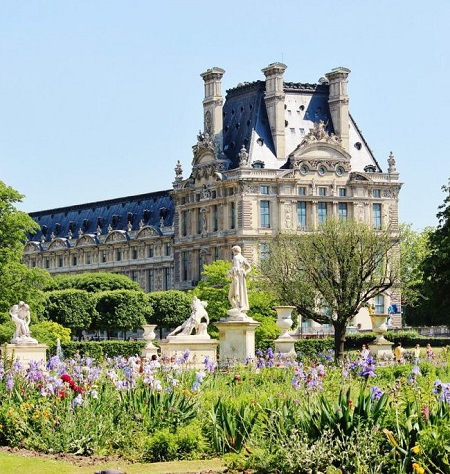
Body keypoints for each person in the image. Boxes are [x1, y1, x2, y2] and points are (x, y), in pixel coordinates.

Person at [228, 245, 252, 312]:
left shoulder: (235, 258)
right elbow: (250, 267)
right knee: (241, 292)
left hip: (236, 278)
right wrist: (245, 272)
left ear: (234, 251)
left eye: (233, 251)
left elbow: (236, 269)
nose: (233, 253)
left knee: (230, 296)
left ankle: (237, 308)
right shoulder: (243, 258)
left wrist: (229, 272)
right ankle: (239, 307)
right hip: (242, 277)